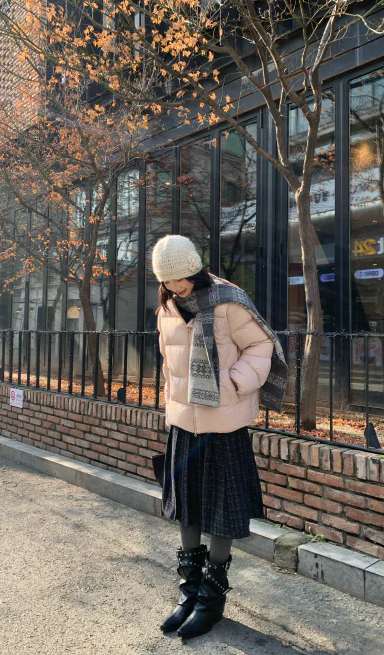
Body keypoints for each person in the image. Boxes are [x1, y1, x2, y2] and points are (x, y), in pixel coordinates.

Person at [152, 234, 288, 640]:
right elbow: (168, 364)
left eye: (180, 278)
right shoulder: (167, 309)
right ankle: (189, 591)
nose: (175, 286)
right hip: (184, 422)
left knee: (222, 507)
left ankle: (211, 599)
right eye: (167, 280)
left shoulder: (228, 300)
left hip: (224, 424)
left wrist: (232, 384)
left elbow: (262, 346)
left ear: (194, 270)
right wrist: (171, 406)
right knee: (187, 504)